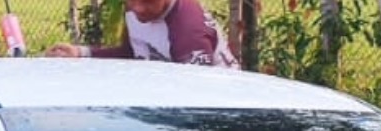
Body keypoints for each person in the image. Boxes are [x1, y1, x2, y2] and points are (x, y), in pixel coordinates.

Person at [45, 0, 238, 68]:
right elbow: (132, 53)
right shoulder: (135, 10)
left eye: (147, 1)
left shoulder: (188, 30)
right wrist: (82, 53)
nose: (137, 9)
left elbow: (194, 94)